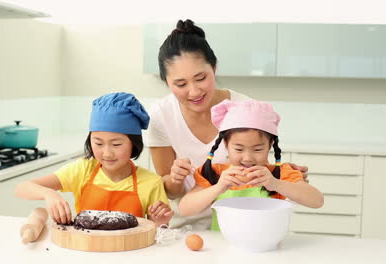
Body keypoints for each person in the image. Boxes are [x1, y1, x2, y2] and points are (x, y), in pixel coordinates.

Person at [147, 19, 308, 229]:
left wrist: (283, 173)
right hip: (182, 226)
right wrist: (176, 179)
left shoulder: (245, 108)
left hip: (239, 223)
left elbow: (257, 165)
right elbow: (170, 192)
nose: (194, 91)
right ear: (166, 82)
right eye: (180, 84)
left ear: (214, 68)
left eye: (201, 78)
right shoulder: (161, 116)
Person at [16, 92, 173, 227]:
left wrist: (160, 223)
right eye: (98, 143)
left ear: (134, 144)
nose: (107, 153)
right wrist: (48, 193)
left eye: (116, 144)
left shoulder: (151, 183)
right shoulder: (82, 170)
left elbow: (156, 236)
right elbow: (22, 188)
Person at [178, 99, 324, 230]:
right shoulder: (215, 173)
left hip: (266, 246)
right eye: (239, 149)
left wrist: (275, 184)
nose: (247, 158)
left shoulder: (279, 174)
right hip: (223, 246)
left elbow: (317, 201)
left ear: (270, 145)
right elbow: (185, 209)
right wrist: (219, 187)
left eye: (258, 149)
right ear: (226, 144)